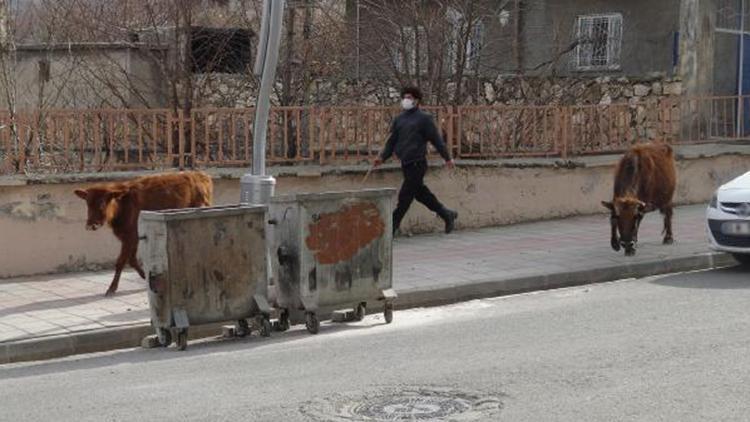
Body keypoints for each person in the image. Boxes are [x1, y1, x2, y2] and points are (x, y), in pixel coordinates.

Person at [374, 86, 458, 235]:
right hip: (405, 163)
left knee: (405, 196)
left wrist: (447, 158)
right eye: (405, 97)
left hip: (418, 162)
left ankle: (392, 226)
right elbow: (391, 142)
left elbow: (436, 140)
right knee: (420, 193)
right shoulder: (399, 119)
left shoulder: (424, 119)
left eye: (410, 97)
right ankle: (447, 214)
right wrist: (382, 157)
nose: (406, 100)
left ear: (417, 100)